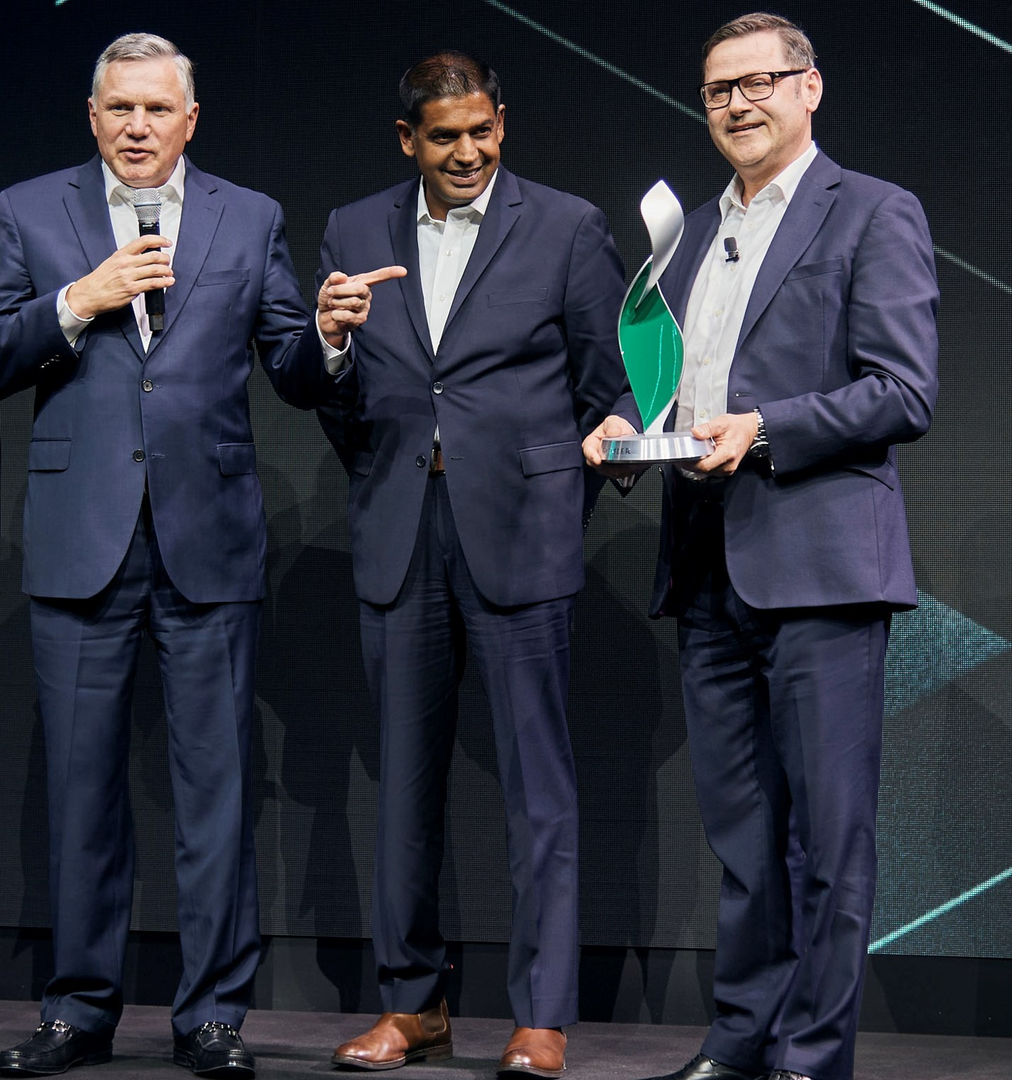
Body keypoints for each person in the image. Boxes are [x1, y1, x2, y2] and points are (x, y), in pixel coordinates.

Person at [0, 32, 335, 1080]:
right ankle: (79, 1010)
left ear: (190, 121)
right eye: (118, 110)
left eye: (156, 111)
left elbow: (292, 366)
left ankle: (213, 1015)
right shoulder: (31, 212)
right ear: (93, 117)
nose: (137, 127)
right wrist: (77, 301)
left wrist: (335, 338)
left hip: (207, 540)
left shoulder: (249, 216)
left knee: (217, 791)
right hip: (83, 538)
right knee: (81, 792)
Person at [583, 13, 938, 1080]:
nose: (738, 104)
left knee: (829, 841)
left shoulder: (872, 211)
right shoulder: (685, 236)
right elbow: (675, 390)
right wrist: (619, 427)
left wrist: (769, 428)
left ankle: (811, 1056)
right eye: (717, 90)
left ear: (810, 89)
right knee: (743, 841)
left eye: (759, 83)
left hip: (822, 569)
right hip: (706, 571)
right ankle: (740, 1042)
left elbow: (904, 390)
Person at [302, 51, 626, 1080]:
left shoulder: (567, 226)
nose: (467, 152)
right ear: (409, 140)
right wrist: (334, 345)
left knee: (539, 789)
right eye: (444, 136)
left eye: (481, 131)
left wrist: (596, 447)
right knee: (404, 786)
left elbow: (610, 380)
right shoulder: (354, 231)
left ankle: (541, 1019)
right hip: (402, 530)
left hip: (521, 530)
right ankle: (415, 1006)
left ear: (501, 125)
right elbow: (337, 401)